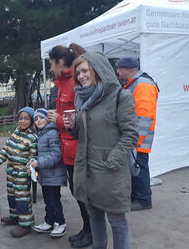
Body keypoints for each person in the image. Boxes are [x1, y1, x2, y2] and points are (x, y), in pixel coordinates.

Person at [64, 51, 138, 249]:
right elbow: (83, 137)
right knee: (94, 218)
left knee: (117, 222)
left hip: (110, 172)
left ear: (98, 70)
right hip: (87, 171)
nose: (81, 76)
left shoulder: (121, 97)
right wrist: (73, 127)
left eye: (85, 71)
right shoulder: (84, 99)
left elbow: (131, 135)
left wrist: (111, 161)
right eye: (78, 73)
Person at [47, 43, 92, 247]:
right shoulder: (63, 85)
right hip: (68, 150)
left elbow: (79, 122)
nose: (50, 69)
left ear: (60, 63)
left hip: (76, 150)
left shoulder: (73, 86)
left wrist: (56, 119)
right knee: (77, 193)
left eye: (51, 64)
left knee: (83, 195)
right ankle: (87, 229)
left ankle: (91, 232)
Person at [116, 57, 159, 211]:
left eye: (119, 69)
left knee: (139, 167)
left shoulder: (142, 85)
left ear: (128, 69)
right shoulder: (135, 83)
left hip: (138, 138)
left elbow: (144, 115)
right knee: (134, 167)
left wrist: (136, 139)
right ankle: (136, 197)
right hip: (134, 136)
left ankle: (144, 200)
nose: (118, 72)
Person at [0, 107, 37, 238]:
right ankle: (14, 217)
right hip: (10, 170)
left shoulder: (32, 137)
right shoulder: (15, 133)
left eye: (26, 119)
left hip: (22, 173)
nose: (23, 121)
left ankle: (25, 225)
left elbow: (33, 157)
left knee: (22, 198)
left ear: (31, 121)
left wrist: (30, 168)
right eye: (21, 118)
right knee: (11, 195)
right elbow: (6, 149)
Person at [30, 108, 67, 237]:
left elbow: (56, 155)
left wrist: (38, 163)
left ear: (47, 119)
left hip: (54, 175)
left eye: (41, 117)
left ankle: (60, 222)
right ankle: (49, 221)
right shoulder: (42, 134)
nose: (38, 120)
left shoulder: (52, 133)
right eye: (36, 119)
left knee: (54, 200)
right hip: (46, 176)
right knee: (48, 199)